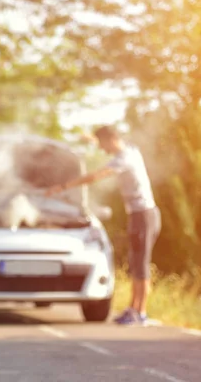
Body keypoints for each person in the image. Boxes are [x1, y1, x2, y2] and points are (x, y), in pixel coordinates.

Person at [45, 125, 161, 325]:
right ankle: (134, 309)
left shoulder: (124, 158)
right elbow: (112, 139)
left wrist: (62, 187)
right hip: (138, 214)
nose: (101, 149)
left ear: (111, 140)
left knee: (141, 265)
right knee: (135, 263)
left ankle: (140, 313)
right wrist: (90, 138)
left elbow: (95, 176)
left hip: (144, 215)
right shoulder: (130, 149)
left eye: (102, 145)